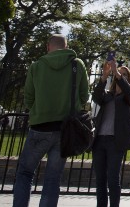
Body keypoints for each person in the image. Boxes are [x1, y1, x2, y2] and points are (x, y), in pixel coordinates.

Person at [13, 34, 89, 207]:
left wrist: (38, 111)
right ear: (66, 46)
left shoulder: (36, 66)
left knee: (25, 173)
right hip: (65, 128)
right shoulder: (77, 65)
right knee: (53, 178)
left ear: (48, 47)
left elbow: (29, 98)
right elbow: (84, 95)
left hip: (40, 126)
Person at [91, 58, 130, 207]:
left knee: (112, 178)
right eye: (118, 74)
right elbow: (95, 97)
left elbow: (128, 92)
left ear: (127, 79)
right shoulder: (107, 96)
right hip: (99, 141)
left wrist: (116, 72)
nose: (119, 76)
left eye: (123, 75)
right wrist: (104, 76)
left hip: (116, 142)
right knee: (100, 180)